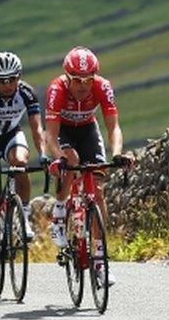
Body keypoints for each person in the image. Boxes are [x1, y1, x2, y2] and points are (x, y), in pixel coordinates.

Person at [45, 46, 131, 286]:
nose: (83, 85)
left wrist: (117, 153)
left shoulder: (103, 86)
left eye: (88, 79)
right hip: (62, 132)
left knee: (98, 191)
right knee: (71, 162)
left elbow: (113, 126)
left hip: (87, 130)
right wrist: (58, 157)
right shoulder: (56, 89)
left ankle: (100, 261)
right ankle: (60, 211)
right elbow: (50, 136)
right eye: (77, 80)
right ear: (67, 78)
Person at [0, 52, 45, 274]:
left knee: (20, 162)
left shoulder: (26, 92)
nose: (7, 85)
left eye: (12, 79)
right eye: (2, 80)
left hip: (11, 135)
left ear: (18, 77)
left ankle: (23, 215)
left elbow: (36, 128)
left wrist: (42, 153)